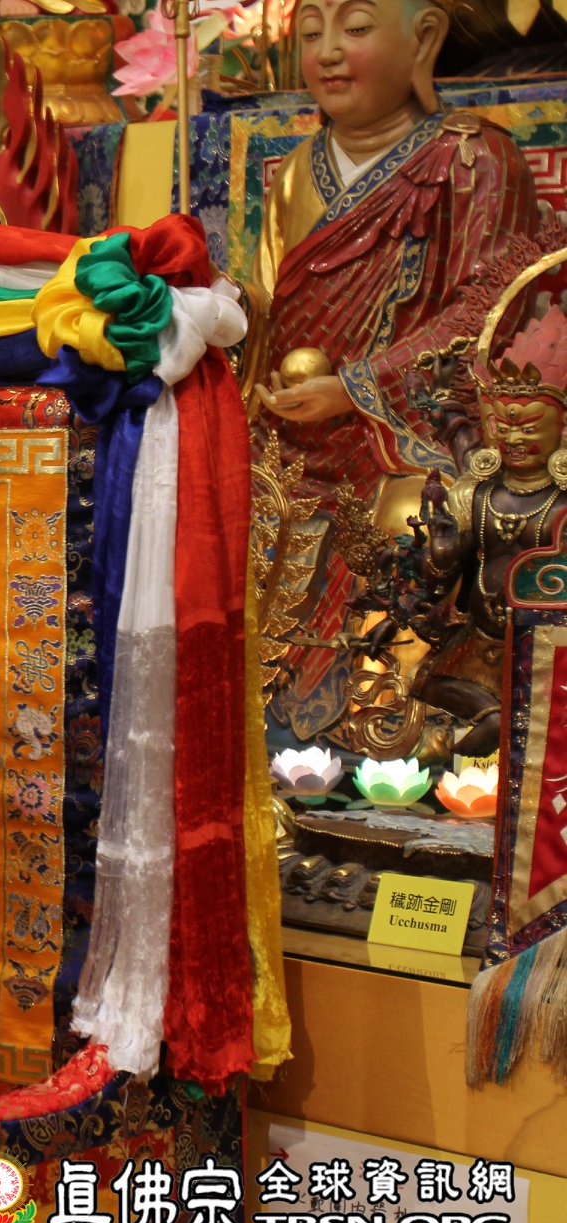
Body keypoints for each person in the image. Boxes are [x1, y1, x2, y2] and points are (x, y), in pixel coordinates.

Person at [249, 0, 547, 738]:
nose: (327, 51)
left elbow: (488, 310)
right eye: (310, 32)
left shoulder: (474, 160)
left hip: (420, 419)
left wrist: (356, 388)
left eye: (355, 28)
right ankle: (253, 697)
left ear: (425, 39)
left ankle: (398, 707)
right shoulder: (297, 170)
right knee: (210, 490)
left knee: (418, 513)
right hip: (292, 426)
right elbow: (263, 298)